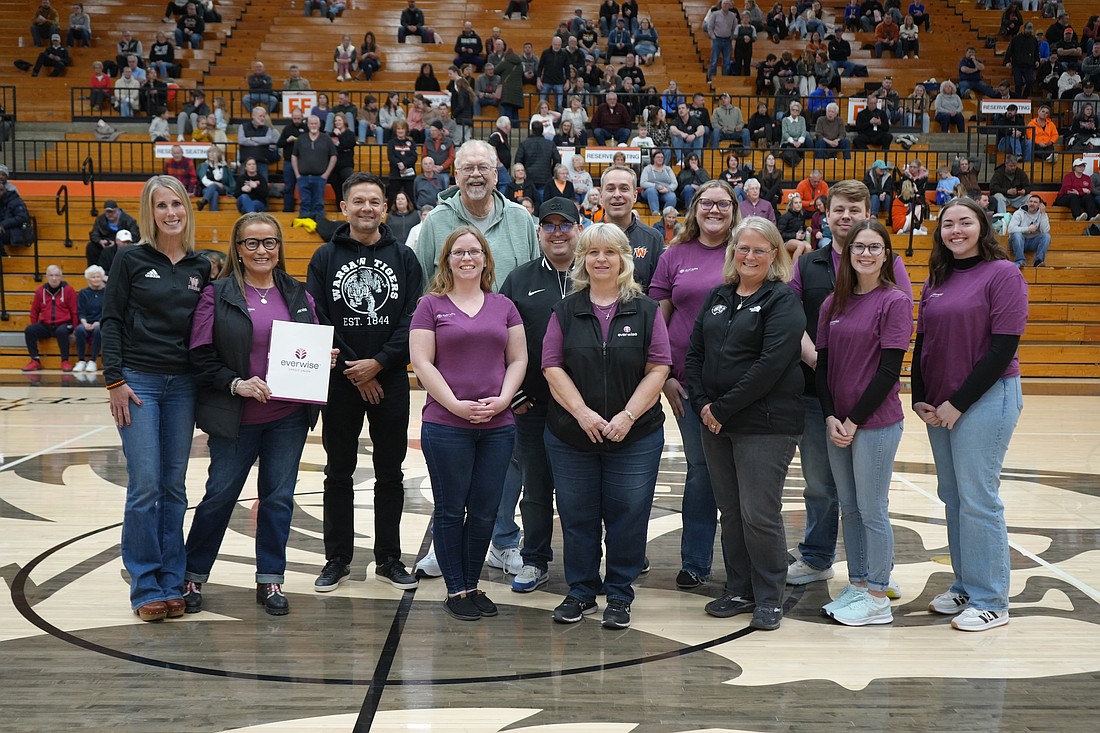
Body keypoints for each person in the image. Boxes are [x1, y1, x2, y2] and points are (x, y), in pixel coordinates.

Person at [184, 213, 333, 616]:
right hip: (235, 418)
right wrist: (237, 383)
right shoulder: (217, 294)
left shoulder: (298, 294)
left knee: (278, 498)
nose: (261, 250)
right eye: (251, 243)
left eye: (269, 242)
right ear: (237, 248)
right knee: (219, 496)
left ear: (279, 248)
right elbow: (201, 356)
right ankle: (192, 574)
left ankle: (270, 579)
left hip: (286, 417)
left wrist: (325, 357)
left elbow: (312, 340)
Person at [543, 223, 671, 628]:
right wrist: (582, 413)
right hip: (571, 435)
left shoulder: (646, 309)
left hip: (635, 435)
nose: (601, 259)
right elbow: (552, 366)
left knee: (628, 514)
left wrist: (627, 416)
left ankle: (619, 593)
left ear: (624, 258)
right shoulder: (565, 309)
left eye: (610, 252)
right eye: (593, 252)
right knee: (577, 515)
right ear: (583, 259)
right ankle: (580, 591)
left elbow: (659, 368)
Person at [786, 179, 911, 590]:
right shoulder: (811, 270)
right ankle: (835, 567)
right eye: (839, 209)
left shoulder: (891, 281)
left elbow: (895, 344)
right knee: (826, 489)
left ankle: (875, 583)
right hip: (821, 398)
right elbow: (793, 321)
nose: (846, 218)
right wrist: (823, 369)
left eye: (855, 211)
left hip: (869, 407)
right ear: (827, 213)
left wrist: (853, 409)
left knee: (869, 504)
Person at [305, 172, 425, 593]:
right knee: (338, 472)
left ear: (385, 208)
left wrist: (378, 364)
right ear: (344, 208)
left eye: (375, 201)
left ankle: (389, 559)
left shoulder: (405, 258)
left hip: (389, 379)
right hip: (340, 382)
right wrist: (356, 371)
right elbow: (316, 316)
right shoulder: (324, 257)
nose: (367, 208)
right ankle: (337, 559)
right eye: (359, 201)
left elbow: (414, 318)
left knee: (389, 472)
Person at [912, 196, 1027, 632]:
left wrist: (958, 403)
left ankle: (991, 599)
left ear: (982, 226)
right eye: (947, 225)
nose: (955, 230)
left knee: (978, 498)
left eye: (964, 222)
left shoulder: (1003, 274)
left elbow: (1003, 348)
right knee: (953, 496)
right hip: (940, 402)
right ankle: (964, 584)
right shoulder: (936, 278)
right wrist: (920, 395)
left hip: (986, 398)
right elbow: (924, 342)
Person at [684, 216, 804, 631]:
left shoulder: (782, 300)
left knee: (759, 513)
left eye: (759, 249)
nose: (749, 256)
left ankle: (770, 595)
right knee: (731, 512)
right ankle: (739, 588)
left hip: (764, 424)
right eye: (743, 248)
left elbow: (770, 365)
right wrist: (702, 403)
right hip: (715, 420)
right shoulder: (718, 295)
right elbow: (694, 353)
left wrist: (722, 408)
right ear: (733, 252)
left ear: (775, 256)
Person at [101, 176, 211, 621]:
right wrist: (114, 381)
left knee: (174, 488)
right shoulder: (128, 259)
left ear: (187, 210)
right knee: (145, 487)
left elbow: (208, 329)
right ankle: (145, 585)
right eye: (161, 205)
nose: (171, 213)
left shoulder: (201, 266)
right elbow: (110, 320)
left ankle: (171, 580)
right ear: (150, 212)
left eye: (177, 205)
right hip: (139, 383)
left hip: (183, 385)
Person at [410, 226, 526, 620]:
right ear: (447, 260)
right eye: (458, 252)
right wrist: (457, 406)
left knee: (483, 510)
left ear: (485, 259)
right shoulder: (430, 305)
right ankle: (456, 589)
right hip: (446, 424)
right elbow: (422, 363)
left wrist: (504, 399)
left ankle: (473, 584)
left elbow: (519, 359)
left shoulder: (504, 306)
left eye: (474, 251)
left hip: (497, 425)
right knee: (449, 509)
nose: (467, 258)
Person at [814, 219, 912, 626]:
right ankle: (857, 585)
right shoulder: (832, 304)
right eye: (859, 247)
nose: (866, 254)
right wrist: (831, 416)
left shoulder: (895, 301)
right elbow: (822, 367)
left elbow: (890, 370)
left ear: (886, 255)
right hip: (839, 423)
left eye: (874, 247)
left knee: (872, 509)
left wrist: (853, 420)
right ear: (847, 253)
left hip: (875, 423)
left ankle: (877, 595)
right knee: (850, 508)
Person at [649, 181, 740, 590]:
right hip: (688, 386)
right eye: (706, 203)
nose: (714, 210)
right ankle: (695, 562)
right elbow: (657, 323)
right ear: (694, 208)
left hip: (743, 388)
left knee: (745, 477)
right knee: (701, 473)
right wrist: (665, 375)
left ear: (735, 209)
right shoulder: (674, 256)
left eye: (723, 203)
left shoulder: (746, 250)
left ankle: (747, 563)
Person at [495, 199, 581, 592]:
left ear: (579, 229)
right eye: (550, 226)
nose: (558, 232)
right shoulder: (519, 278)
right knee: (535, 487)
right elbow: (498, 342)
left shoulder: (595, 273)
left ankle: (586, 564)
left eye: (566, 225)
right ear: (538, 233)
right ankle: (534, 560)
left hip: (585, 408)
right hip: (532, 404)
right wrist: (512, 395)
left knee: (581, 490)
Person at [599, 165, 666, 292]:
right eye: (610, 189)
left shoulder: (653, 239)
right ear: (601, 195)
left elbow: (660, 292)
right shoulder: (587, 239)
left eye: (624, 189)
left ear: (635, 196)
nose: (617, 194)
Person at [22, 264, 78, 372]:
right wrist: (35, 324)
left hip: (64, 324)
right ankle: (35, 360)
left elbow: (74, 311)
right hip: (46, 325)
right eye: (51, 275)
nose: (54, 278)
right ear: (46, 276)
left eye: (57, 275)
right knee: (29, 330)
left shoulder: (68, 290)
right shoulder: (40, 291)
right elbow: (34, 311)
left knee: (62, 331)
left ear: (61, 276)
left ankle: (65, 360)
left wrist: (74, 330)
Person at [292, 115, 337, 221]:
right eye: (311, 123)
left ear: (319, 125)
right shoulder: (301, 138)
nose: (313, 125)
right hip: (303, 178)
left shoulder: (326, 138)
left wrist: (326, 173)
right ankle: (303, 231)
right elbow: (294, 156)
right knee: (305, 203)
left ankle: (320, 227)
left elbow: (334, 156)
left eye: (315, 123)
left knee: (319, 204)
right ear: (307, 125)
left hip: (320, 178)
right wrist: (297, 174)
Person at [86, 200, 139, 268]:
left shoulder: (129, 220)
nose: (110, 214)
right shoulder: (100, 219)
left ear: (117, 210)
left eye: (112, 211)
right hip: (105, 243)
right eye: (107, 212)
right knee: (91, 247)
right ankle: (94, 270)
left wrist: (117, 242)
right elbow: (94, 234)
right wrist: (100, 241)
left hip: (121, 242)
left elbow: (135, 236)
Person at [1007, 194, 1051, 267]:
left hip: (1033, 242)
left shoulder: (1042, 214)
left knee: (1047, 236)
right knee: (1017, 234)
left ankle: (1038, 261)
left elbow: (1045, 230)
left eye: (1035, 202)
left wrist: (1043, 213)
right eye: (1030, 201)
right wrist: (1028, 229)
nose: (1032, 204)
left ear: (1040, 205)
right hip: (1018, 241)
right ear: (1027, 203)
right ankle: (1020, 261)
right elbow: (1010, 229)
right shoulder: (1019, 213)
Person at [640, 150, 678, 216]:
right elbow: (643, 183)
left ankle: (666, 215)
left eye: (661, 157)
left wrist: (668, 189)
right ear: (653, 159)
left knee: (672, 196)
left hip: (665, 191)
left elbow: (674, 183)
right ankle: (655, 213)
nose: (660, 159)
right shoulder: (647, 168)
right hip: (649, 191)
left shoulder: (668, 169)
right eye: (658, 157)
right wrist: (656, 186)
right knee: (652, 191)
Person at [197, 147, 235, 212]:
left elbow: (218, 178)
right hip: (207, 189)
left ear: (218, 155)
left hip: (222, 189)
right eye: (210, 152)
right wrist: (216, 184)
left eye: (214, 153)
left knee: (215, 187)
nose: (212, 154)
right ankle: (214, 213)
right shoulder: (203, 165)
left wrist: (216, 167)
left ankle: (203, 202)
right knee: (215, 193)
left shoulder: (222, 167)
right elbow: (204, 181)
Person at [778, 192, 814, 259]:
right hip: (787, 241)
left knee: (808, 247)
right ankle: (795, 268)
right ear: (791, 205)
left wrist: (807, 228)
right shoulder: (785, 217)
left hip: (799, 240)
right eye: (796, 203)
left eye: (800, 202)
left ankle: (804, 267)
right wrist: (795, 235)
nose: (798, 205)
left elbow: (802, 226)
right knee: (800, 245)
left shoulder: (802, 215)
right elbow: (779, 233)